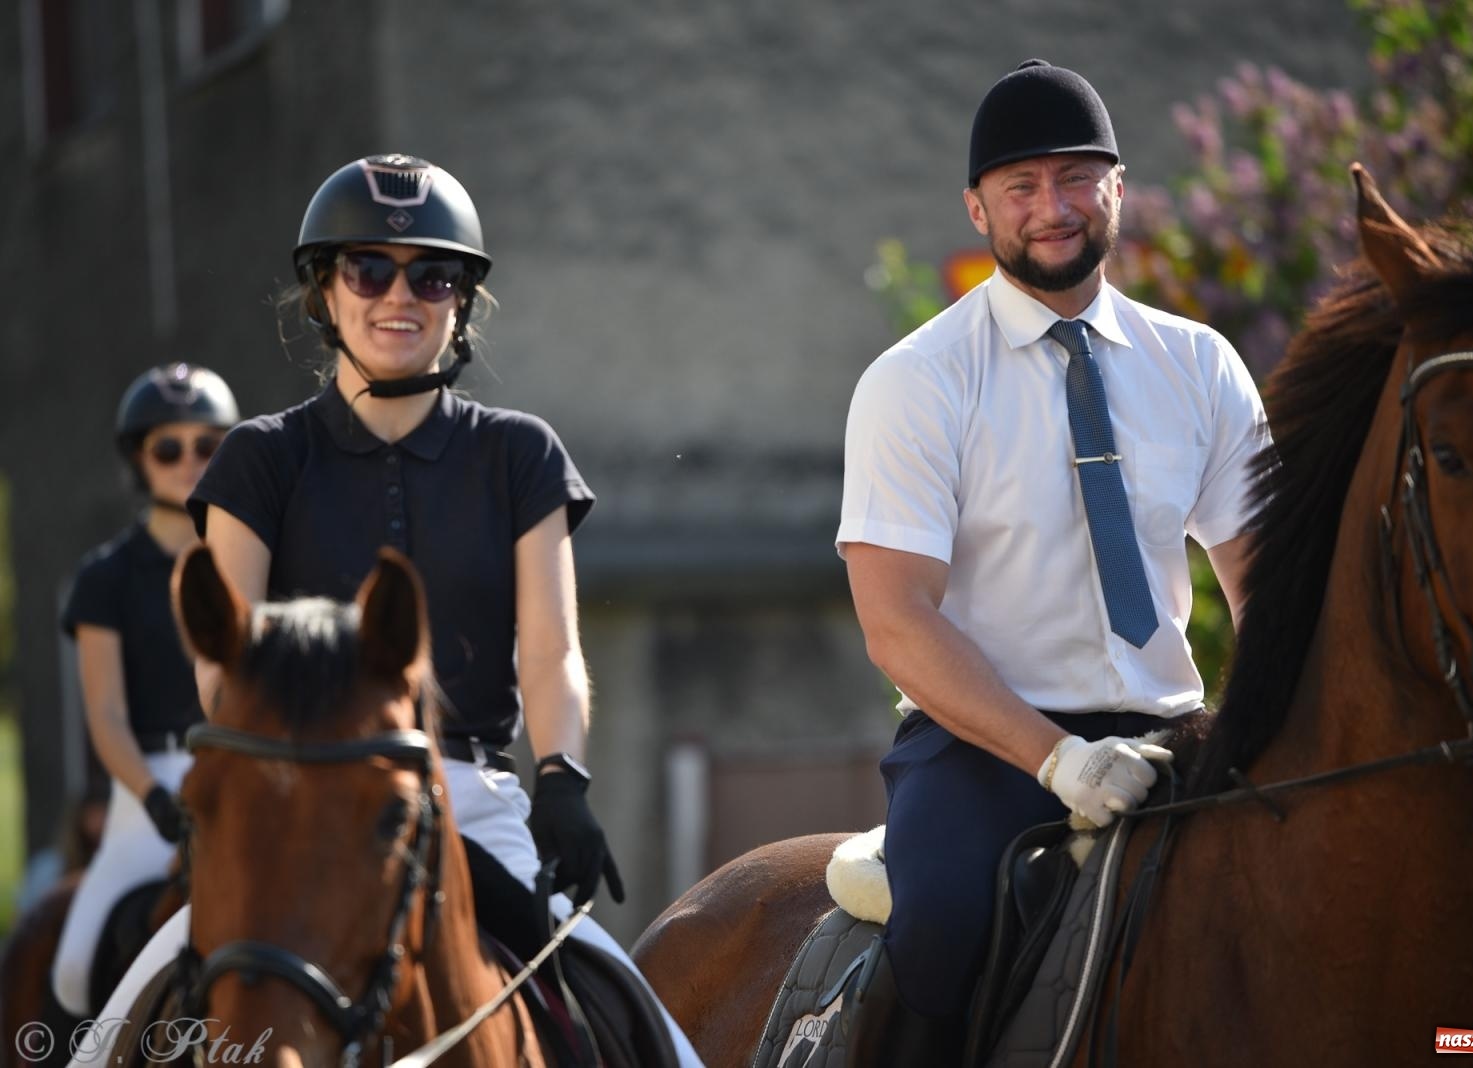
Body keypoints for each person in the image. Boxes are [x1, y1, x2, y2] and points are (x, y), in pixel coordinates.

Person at [75, 155, 702, 1067]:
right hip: (289, 802)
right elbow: (224, 661)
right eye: (369, 269)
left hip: (472, 800)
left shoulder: (522, 455)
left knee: (652, 1030)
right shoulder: (257, 460)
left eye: (431, 274)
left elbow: (552, 652)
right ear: (325, 292)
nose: (398, 295)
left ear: (461, 302)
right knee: (107, 1039)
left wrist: (562, 775)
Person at [835, 61, 1268, 1065]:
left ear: (1117, 189)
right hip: (982, 751)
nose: (1052, 208)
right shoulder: (915, 382)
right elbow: (896, 620)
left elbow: (1264, 580)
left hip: (1171, 735)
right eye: (1021, 187)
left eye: (1076, 178)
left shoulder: (1200, 365)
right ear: (976, 207)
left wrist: (1272, 721)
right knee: (940, 933)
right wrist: (1056, 759)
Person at [51, 364, 239, 1018]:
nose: (189, 461)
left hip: (239, 771)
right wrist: (156, 798)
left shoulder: (252, 561)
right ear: (139, 457)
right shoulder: (105, 578)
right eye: (168, 447)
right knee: (73, 969)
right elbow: (104, 714)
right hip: (149, 786)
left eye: (208, 447)